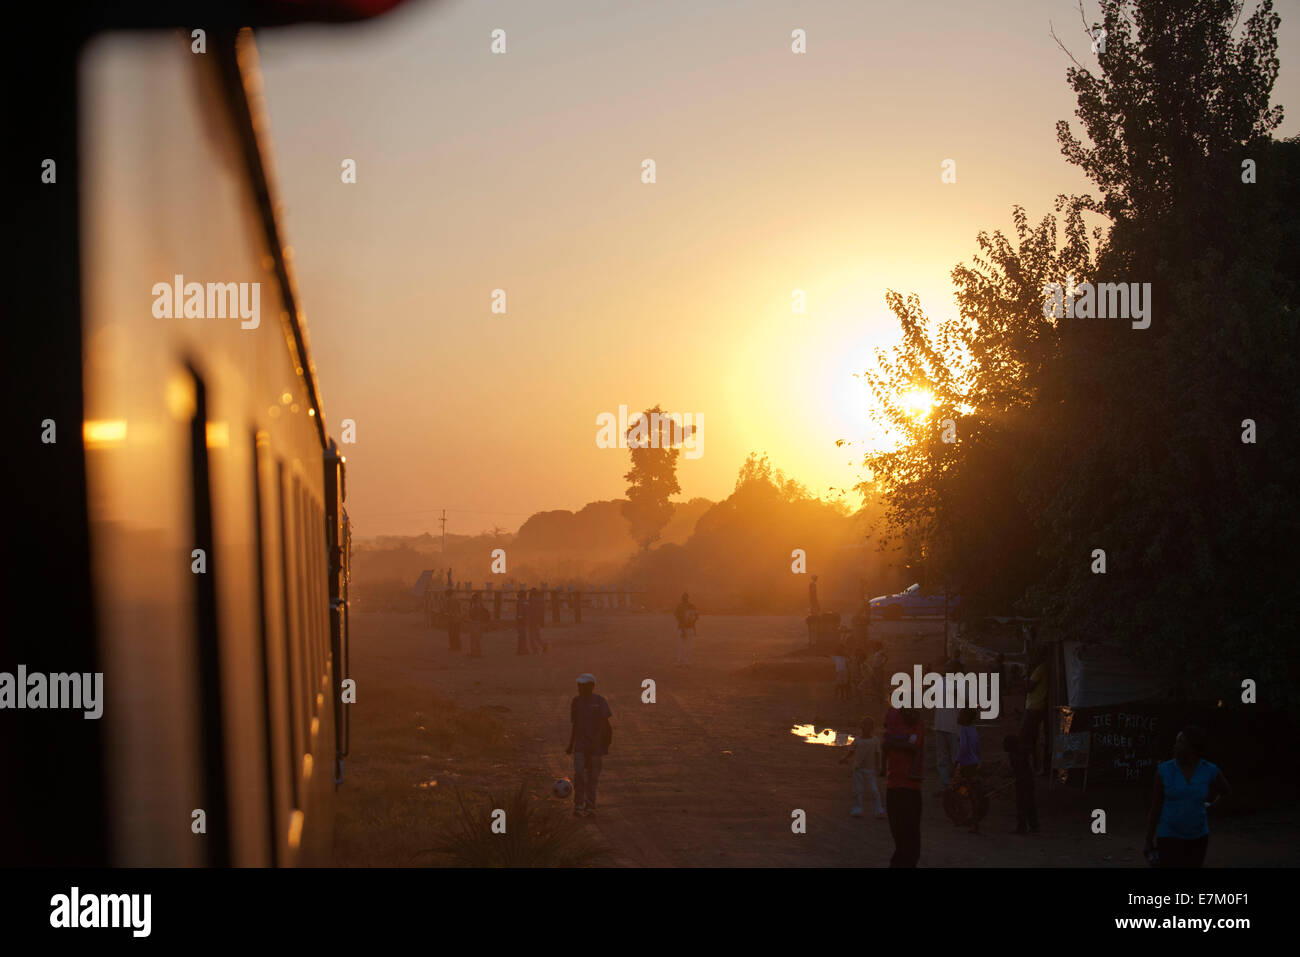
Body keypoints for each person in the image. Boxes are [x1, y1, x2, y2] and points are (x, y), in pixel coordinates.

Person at [1144, 725, 1231, 868]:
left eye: (1180, 742)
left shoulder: (1209, 770)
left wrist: (1212, 808)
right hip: (1168, 835)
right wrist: (1148, 840)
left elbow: (1226, 791)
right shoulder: (1164, 771)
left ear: (1193, 747)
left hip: (1198, 837)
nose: (1175, 746)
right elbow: (1155, 807)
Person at [881, 706, 924, 866]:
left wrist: (892, 743)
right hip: (906, 788)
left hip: (899, 787)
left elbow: (888, 743)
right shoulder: (912, 717)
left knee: (903, 842)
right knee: (907, 842)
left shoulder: (898, 714)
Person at [565, 673, 612, 817]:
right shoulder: (576, 702)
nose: (580, 688)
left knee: (592, 778)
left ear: (592, 686)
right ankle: (578, 805)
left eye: (583, 686)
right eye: (579, 686)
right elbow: (575, 724)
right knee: (579, 776)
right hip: (580, 745)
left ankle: (590, 806)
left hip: (595, 748)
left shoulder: (600, 701)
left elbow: (605, 726)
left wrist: (603, 745)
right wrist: (570, 744)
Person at [840, 716, 884, 819]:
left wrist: (878, 767)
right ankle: (857, 809)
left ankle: (879, 810)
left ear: (872, 728)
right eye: (864, 725)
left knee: (874, 790)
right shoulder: (857, 740)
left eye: (869, 726)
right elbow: (851, 751)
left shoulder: (875, 740)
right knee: (857, 790)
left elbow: (878, 754)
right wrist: (844, 758)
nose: (866, 728)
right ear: (861, 727)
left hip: (870, 769)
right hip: (858, 769)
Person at [1020, 646, 1049, 775]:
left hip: (1033, 707)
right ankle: (1034, 767)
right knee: (1032, 738)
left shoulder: (1040, 669)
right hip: (1036, 706)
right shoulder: (1044, 667)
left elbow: (1029, 688)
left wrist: (1025, 677)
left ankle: (1031, 767)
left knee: (1027, 738)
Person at [954, 708, 982, 833]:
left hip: (966, 764)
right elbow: (977, 747)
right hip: (974, 763)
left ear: (966, 718)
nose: (958, 717)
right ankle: (970, 820)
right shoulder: (974, 730)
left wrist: (957, 761)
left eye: (960, 715)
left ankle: (971, 821)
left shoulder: (963, 730)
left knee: (965, 792)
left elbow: (963, 747)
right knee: (969, 791)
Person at [1003, 734, 1038, 834]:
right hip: (1027, 780)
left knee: (1022, 804)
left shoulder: (1015, 755)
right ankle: (1034, 825)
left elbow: (1019, 769)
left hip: (1024, 781)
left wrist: (1015, 777)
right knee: (1030, 803)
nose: (1004, 747)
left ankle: (1022, 827)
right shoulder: (1018, 752)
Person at [673, 592, 697, 666]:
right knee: (689, 646)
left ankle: (680, 662)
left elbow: (679, 618)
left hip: (681, 628)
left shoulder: (679, 606)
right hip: (689, 628)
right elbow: (695, 617)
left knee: (681, 646)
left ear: (682, 598)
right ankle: (688, 662)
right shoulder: (692, 606)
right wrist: (694, 627)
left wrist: (683, 629)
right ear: (688, 598)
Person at [466, 592, 488, 657]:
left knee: (474, 638)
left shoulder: (475, 606)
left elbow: (472, 615)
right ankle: (477, 652)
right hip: (479, 623)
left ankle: (475, 653)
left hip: (475, 623)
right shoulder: (481, 605)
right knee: (477, 638)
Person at [527, 587, 547, 653]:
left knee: (531, 635)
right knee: (537, 634)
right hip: (538, 619)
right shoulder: (541, 601)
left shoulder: (532, 600)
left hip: (532, 619)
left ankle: (535, 649)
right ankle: (543, 645)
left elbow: (530, 610)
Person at [442, 588, 462, 652]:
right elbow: (460, 609)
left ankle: (453, 646)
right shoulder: (457, 600)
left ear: (447, 595)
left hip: (451, 619)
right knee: (457, 633)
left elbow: (446, 611)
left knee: (451, 633)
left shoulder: (448, 601)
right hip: (457, 619)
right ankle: (458, 646)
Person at [514, 589, 529, 655]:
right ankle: (522, 650)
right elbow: (521, 612)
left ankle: (521, 650)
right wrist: (521, 620)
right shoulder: (522, 601)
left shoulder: (521, 601)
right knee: (523, 636)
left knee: (521, 636)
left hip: (521, 621)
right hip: (522, 621)